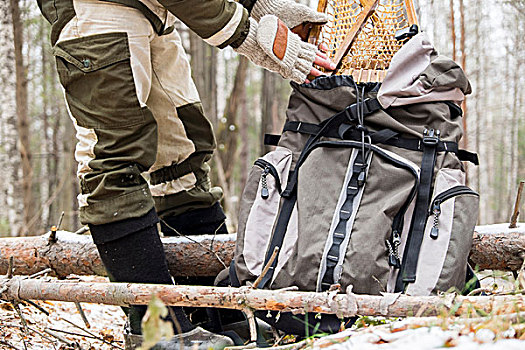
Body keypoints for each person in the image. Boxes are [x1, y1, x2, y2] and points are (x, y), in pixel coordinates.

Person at [37, 0, 334, 348]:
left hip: (153, 9)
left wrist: (261, 7)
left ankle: (212, 311)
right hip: (98, 8)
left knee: (181, 151)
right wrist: (248, 32)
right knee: (116, 157)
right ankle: (157, 329)